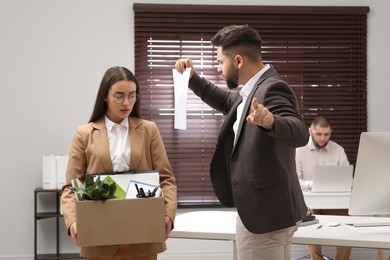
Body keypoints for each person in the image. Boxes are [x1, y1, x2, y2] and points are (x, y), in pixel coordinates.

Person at [175, 25, 309, 260]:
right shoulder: (253, 88)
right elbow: (227, 102)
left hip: (264, 216)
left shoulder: (272, 88)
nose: (218, 69)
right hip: (270, 213)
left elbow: (299, 133)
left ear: (238, 61)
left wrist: (271, 121)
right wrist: (193, 79)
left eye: (220, 62)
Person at [60, 66, 177, 260]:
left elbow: (166, 179)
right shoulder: (84, 133)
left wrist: (168, 214)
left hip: (143, 236)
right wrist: (73, 221)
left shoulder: (149, 130)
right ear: (105, 96)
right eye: (119, 96)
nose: (127, 102)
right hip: (100, 237)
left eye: (132, 96)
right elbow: (70, 187)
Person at [296, 115, 351, 260]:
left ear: (331, 132)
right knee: (311, 224)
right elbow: (295, 180)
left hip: (334, 201)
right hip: (310, 202)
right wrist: (311, 184)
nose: (322, 138)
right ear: (310, 131)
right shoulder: (299, 151)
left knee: (346, 226)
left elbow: (347, 178)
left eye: (326, 134)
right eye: (319, 133)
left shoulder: (338, 150)